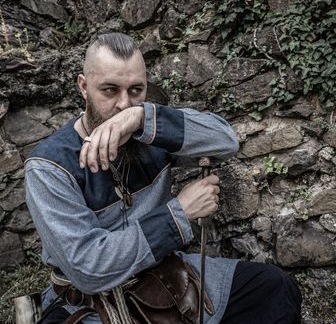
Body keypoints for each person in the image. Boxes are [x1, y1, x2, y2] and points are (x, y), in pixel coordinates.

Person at [25, 32, 302, 324]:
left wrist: (141, 118)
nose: (123, 103)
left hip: (165, 275)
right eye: (109, 90)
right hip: (89, 302)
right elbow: (89, 268)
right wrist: (178, 214)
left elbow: (225, 141)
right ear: (83, 87)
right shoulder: (48, 166)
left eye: (136, 90)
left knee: (274, 288)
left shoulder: (150, 131)